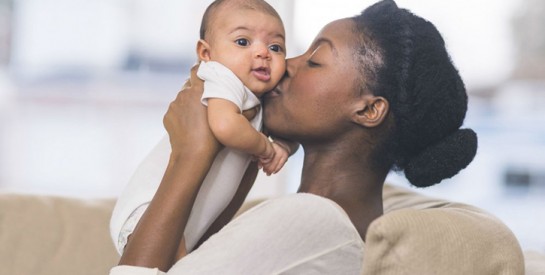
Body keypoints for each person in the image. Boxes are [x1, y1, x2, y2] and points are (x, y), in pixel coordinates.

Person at [110, 0, 478, 274]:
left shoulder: (311, 221)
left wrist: (189, 155)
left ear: (368, 110)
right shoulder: (330, 224)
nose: (284, 66)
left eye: (314, 61)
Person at [109, 0, 298, 256]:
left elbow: (292, 128)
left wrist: (284, 146)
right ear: (206, 54)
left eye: (275, 47)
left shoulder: (259, 96)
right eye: (243, 42)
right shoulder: (221, 77)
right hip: (147, 208)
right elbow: (225, 125)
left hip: (188, 218)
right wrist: (266, 147)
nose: (263, 53)